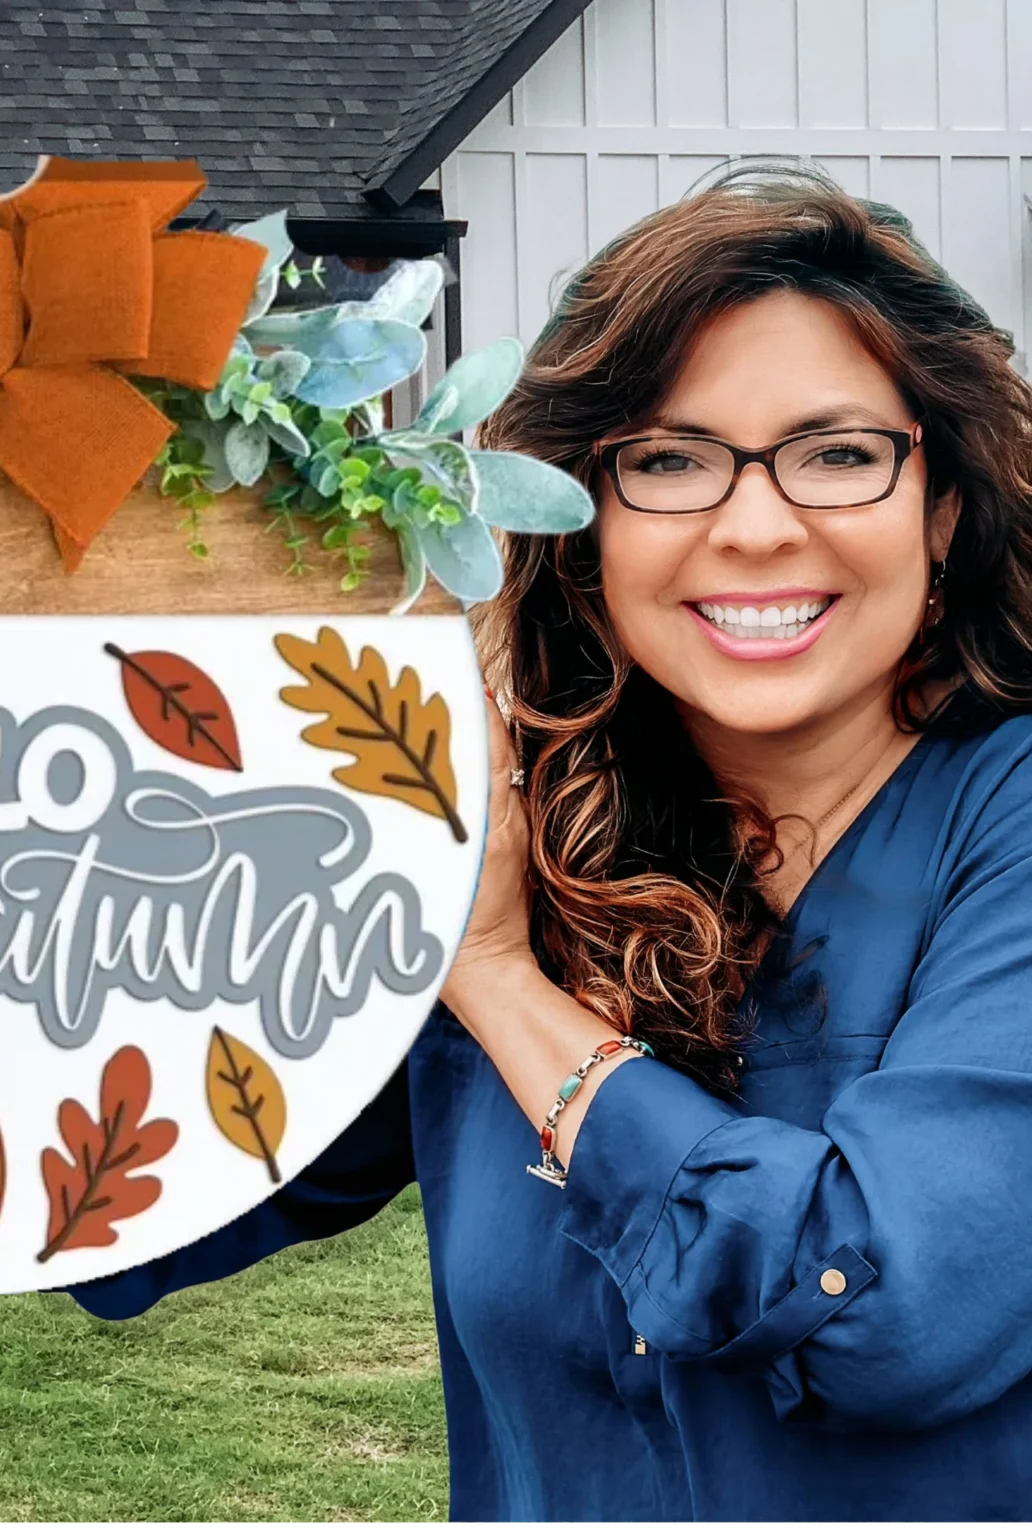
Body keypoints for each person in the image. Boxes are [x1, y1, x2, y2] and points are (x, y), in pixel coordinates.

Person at [69, 163, 1032, 1523]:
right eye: (670, 461)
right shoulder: (523, 827)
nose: (756, 526)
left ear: (941, 510)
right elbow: (142, 1199)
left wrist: (501, 982)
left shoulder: (1005, 828)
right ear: (584, 530)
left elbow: (881, 1310)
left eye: (838, 453)